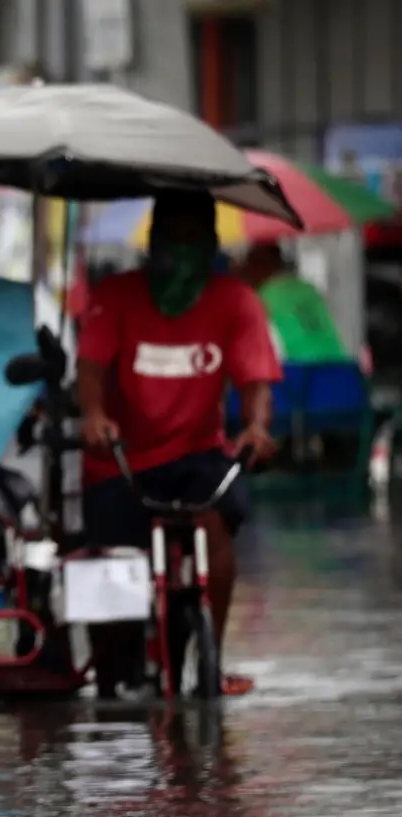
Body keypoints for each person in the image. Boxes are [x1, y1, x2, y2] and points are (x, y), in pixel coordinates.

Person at [77, 190, 281, 697]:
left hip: (197, 454)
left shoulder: (236, 301)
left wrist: (256, 428)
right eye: (174, 237)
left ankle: (211, 653)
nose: (183, 250)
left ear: (212, 243)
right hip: (119, 460)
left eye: (196, 239)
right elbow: (90, 367)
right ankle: (114, 661)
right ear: (153, 241)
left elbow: (255, 380)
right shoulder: (116, 296)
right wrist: (95, 416)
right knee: (109, 560)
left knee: (216, 522)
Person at [239, 240, 351, 364]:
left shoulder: (263, 298)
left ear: (260, 266)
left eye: (249, 264)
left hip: (300, 372)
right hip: (338, 365)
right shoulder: (307, 288)